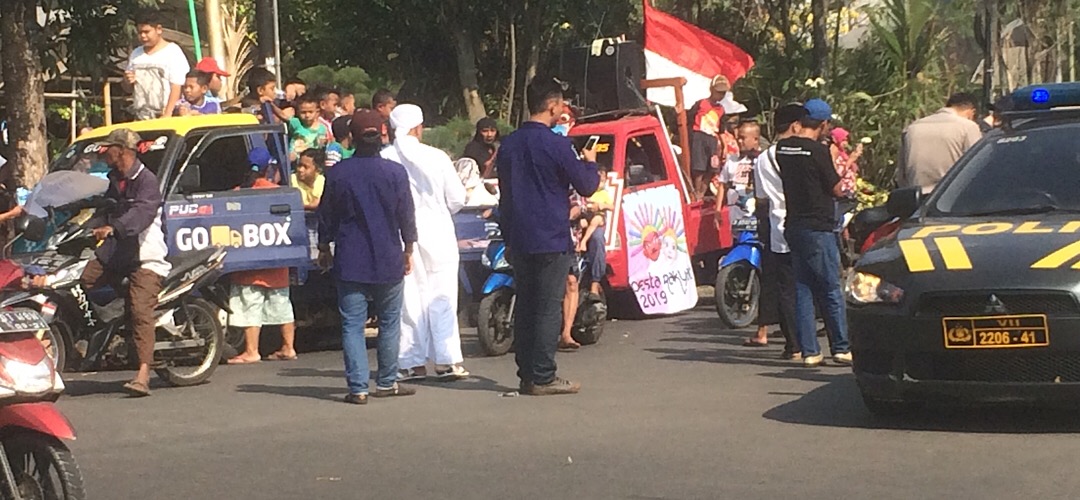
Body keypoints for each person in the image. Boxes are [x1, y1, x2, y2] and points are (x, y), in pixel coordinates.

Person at [497, 77, 600, 395]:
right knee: (546, 306)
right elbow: (585, 185)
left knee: (527, 304)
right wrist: (591, 164)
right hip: (551, 234)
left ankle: (527, 372)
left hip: (519, 234)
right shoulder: (557, 144)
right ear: (553, 106)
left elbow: (505, 195)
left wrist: (508, 237)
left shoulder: (509, 144)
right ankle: (542, 375)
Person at [317, 109, 418, 404]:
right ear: (382, 134)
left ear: (352, 137)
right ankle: (386, 382)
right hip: (388, 255)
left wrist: (324, 247)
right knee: (389, 322)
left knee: (352, 324)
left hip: (350, 258)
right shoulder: (395, 172)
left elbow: (327, 215)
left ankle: (358, 388)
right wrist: (409, 248)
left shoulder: (338, 174)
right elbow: (406, 215)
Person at [379, 105, 469, 381]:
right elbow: (457, 198)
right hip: (438, 230)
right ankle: (446, 360)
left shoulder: (384, 157)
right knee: (442, 294)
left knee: (409, 297)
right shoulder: (437, 157)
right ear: (418, 128)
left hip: (400, 233)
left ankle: (412, 362)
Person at [80, 129, 171, 396]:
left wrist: (114, 228)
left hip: (145, 256)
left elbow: (140, 215)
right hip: (117, 253)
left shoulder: (147, 181)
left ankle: (143, 373)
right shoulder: (114, 180)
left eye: (108, 149)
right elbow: (104, 209)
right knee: (84, 280)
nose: (104, 153)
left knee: (141, 310)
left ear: (121, 150)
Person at [776, 99, 852, 367]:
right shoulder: (818, 152)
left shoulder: (783, 150)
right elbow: (836, 189)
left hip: (794, 224)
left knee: (803, 288)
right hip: (818, 225)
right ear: (823, 124)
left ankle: (810, 351)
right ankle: (841, 347)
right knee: (831, 287)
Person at [226, 148, 299, 364]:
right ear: (269, 168)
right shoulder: (279, 192)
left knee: (250, 305)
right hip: (277, 262)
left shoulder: (237, 192)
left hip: (248, 263)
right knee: (282, 305)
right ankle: (288, 347)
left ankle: (252, 350)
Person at [743, 104, 804, 358]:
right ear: (796, 126)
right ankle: (823, 344)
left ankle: (795, 344)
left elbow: (761, 199)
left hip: (776, 226)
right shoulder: (805, 153)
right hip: (804, 224)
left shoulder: (764, 159)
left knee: (785, 286)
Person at [896, 92, 982, 193]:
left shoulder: (912, 128)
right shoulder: (968, 127)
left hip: (915, 196)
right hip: (951, 197)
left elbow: (901, 174)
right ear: (972, 112)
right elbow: (977, 168)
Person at [124, 10, 190, 120]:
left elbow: (177, 86)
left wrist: (168, 114)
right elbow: (128, 89)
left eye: (146, 32)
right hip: (141, 116)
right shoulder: (136, 54)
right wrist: (126, 81)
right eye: (140, 32)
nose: (143, 36)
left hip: (166, 115)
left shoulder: (173, 52)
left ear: (158, 29)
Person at [688, 75, 729, 197]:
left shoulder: (721, 109)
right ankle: (696, 191)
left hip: (712, 139)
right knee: (698, 166)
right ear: (711, 90)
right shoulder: (701, 103)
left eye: (723, 93)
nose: (720, 95)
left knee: (712, 168)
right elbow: (689, 118)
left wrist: (724, 146)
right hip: (699, 136)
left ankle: (702, 191)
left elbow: (721, 129)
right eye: (718, 92)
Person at [719, 121, 760, 226]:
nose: (740, 141)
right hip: (735, 212)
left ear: (755, 139)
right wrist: (718, 209)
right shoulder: (732, 160)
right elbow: (723, 184)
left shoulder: (762, 160)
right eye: (738, 138)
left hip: (753, 212)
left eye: (743, 138)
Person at [287, 94, 329, 160]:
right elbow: (282, 115)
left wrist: (323, 143)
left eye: (310, 112)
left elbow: (322, 145)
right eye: (303, 112)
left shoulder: (322, 128)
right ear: (298, 112)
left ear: (317, 112)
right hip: (294, 157)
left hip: (310, 160)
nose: (307, 115)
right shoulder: (296, 123)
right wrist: (272, 105)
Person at [829, 127, 862, 198]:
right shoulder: (834, 152)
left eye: (846, 140)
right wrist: (850, 160)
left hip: (849, 190)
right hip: (842, 192)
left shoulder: (843, 153)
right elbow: (838, 173)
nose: (845, 143)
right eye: (843, 140)